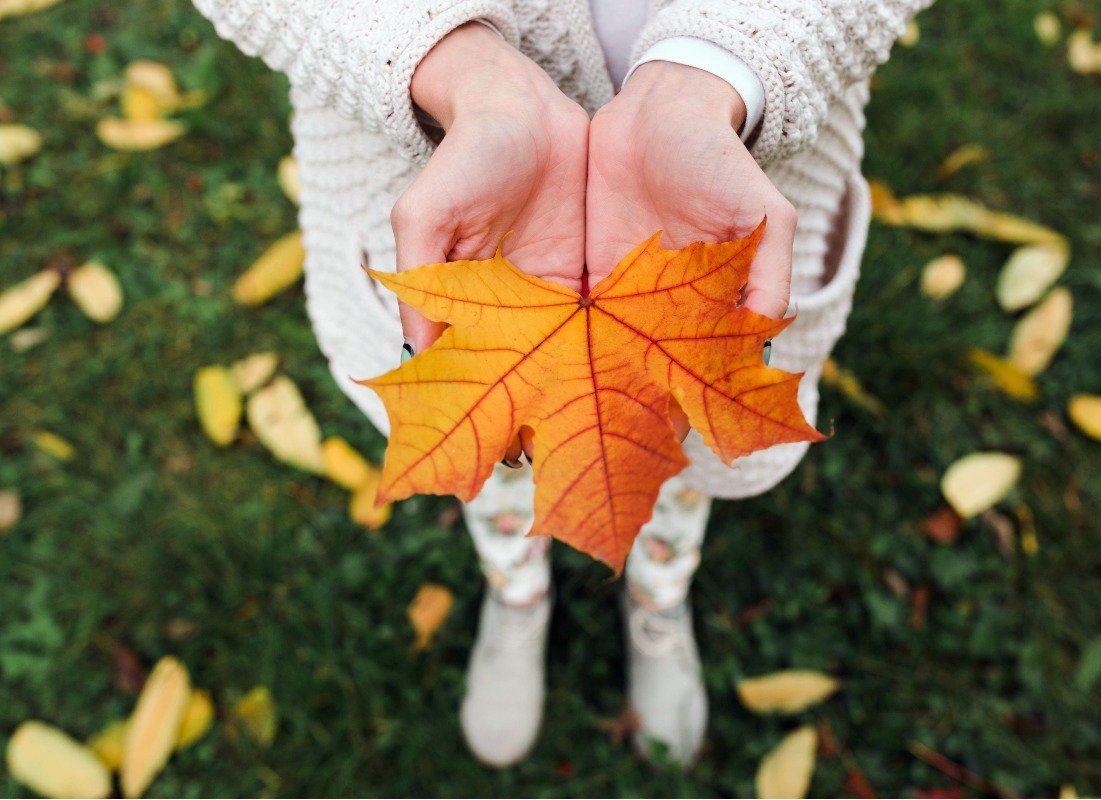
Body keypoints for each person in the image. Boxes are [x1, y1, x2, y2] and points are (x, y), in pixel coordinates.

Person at [193, 0, 929, 769]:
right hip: (455, 200)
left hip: (720, 180)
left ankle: (657, 596)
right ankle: (519, 594)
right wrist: (455, 68)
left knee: (683, 460)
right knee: (492, 460)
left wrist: (714, 72)